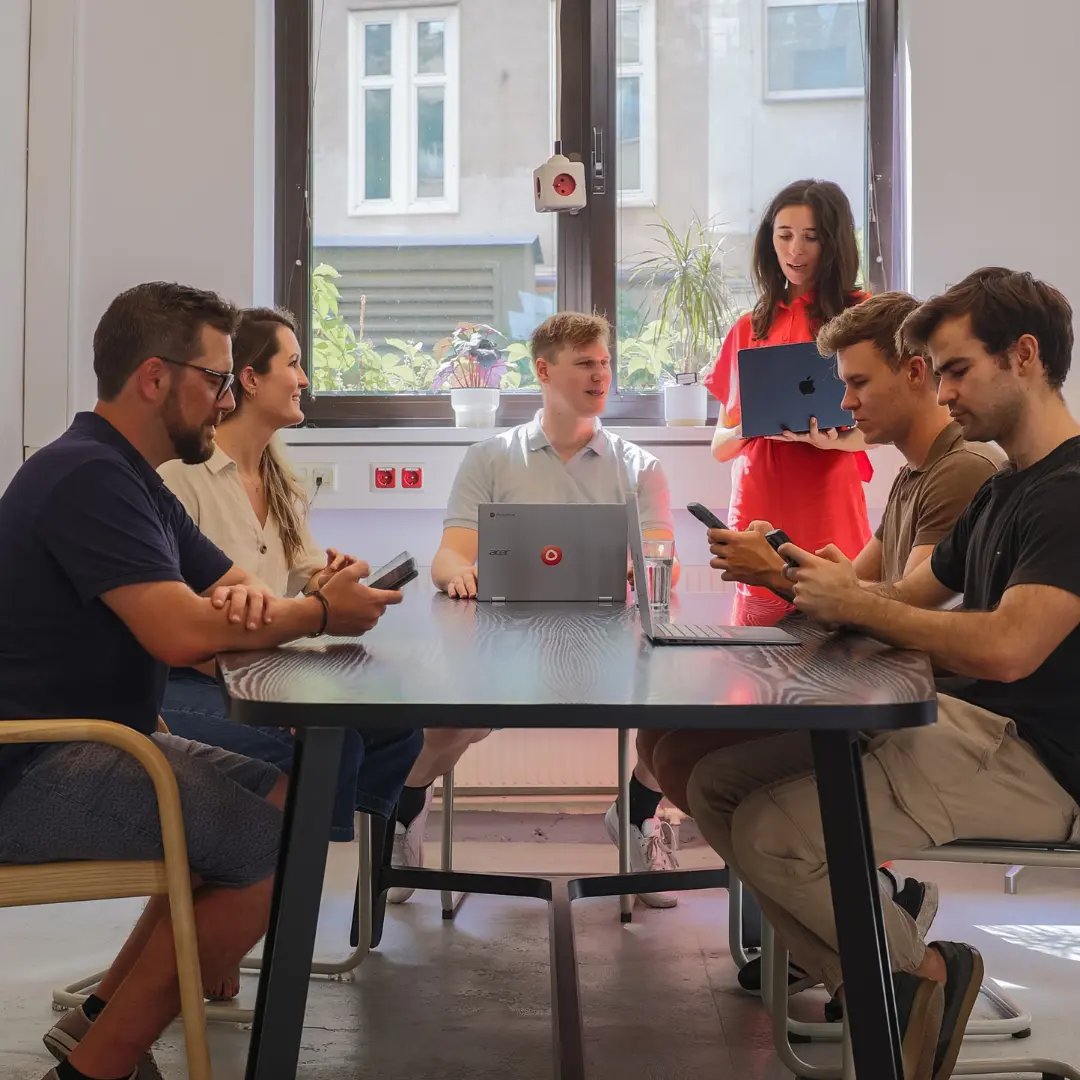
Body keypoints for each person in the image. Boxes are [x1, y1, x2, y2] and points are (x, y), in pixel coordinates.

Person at [0, 282, 402, 1080]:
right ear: (155, 377)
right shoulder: (89, 477)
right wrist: (317, 613)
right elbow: (186, 631)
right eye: (215, 379)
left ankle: (99, 1021)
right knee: (266, 848)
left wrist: (298, 601)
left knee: (291, 798)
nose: (223, 401)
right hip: (34, 768)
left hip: (97, 747)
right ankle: (97, 1069)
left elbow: (231, 596)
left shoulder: (133, 476)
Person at [688, 267, 1080, 1080]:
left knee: (771, 832)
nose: (944, 392)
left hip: (1039, 758)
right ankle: (903, 980)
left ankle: (910, 983)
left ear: (1027, 357)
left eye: (957, 370)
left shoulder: (1069, 494)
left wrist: (854, 603)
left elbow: (1010, 647)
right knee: (716, 787)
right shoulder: (1006, 487)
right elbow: (901, 594)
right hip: (972, 727)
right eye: (937, 374)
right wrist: (814, 581)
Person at [644, 290, 1005, 995]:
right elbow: (853, 583)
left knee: (685, 754)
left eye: (859, 383)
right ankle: (852, 953)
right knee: (666, 743)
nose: (845, 403)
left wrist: (777, 569)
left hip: (921, 712)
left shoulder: (962, 471)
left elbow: (897, 604)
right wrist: (783, 563)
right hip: (880, 686)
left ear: (915, 373)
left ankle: (874, 961)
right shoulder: (915, 474)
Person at [395, 311, 681, 909]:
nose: (600, 374)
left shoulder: (640, 467)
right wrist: (461, 575)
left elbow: (663, 561)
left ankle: (636, 816)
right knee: (448, 721)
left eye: (604, 362)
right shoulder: (491, 458)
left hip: (611, 642)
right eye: (585, 364)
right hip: (504, 643)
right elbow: (448, 556)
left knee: (680, 717)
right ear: (545, 371)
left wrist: (638, 567)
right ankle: (408, 807)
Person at [159, 307, 421, 862]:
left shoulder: (282, 480)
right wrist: (277, 693)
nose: (304, 379)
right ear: (250, 379)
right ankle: (296, 876)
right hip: (187, 676)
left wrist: (332, 579)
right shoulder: (181, 480)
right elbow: (176, 622)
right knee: (335, 742)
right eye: (294, 364)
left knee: (400, 729)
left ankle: (363, 869)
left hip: (259, 664)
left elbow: (303, 581)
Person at [705, 178, 873, 615]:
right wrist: (753, 424)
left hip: (828, 501)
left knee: (841, 648)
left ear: (833, 243)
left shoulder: (861, 316)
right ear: (769, 242)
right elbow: (721, 447)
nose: (795, 250)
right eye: (784, 236)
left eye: (811, 237)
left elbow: (879, 429)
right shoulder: (749, 327)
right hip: (759, 498)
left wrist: (833, 442)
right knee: (753, 663)